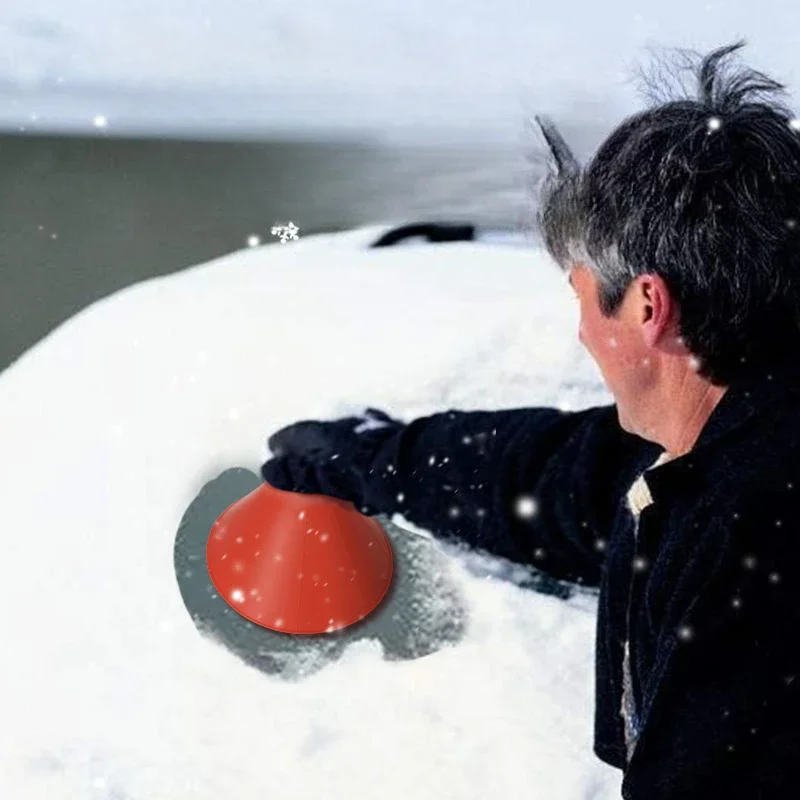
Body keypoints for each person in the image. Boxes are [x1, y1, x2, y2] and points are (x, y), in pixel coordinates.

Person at [261, 40, 800, 798]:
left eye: (582, 296)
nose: (582, 332)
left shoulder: (752, 543)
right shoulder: (721, 443)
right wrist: (370, 458)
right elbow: (551, 480)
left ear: (648, 306)